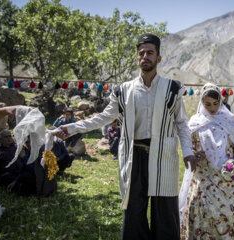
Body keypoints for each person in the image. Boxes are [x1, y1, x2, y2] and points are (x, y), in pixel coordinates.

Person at [54, 33, 196, 240]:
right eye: (141, 53)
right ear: (137, 57)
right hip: (134, 155)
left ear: (159, 57)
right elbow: (102, 118)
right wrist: (72, 128)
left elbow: (182, 123)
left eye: (150, 52)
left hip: (164, 156)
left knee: (165, 210)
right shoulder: (124, 90)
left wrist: (188, 152)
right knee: (134, 209)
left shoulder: (172, 89)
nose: (145, 56)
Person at [179, 83, 234, 239]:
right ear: (201, 103)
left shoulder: (228, 120)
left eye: (216, 104)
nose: (212, 108)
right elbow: (188, 147)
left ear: (221, 102)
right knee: (204, 214)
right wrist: (194, 155)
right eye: (208, 104)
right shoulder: (195, 123)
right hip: (203, 178)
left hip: (228, 177)